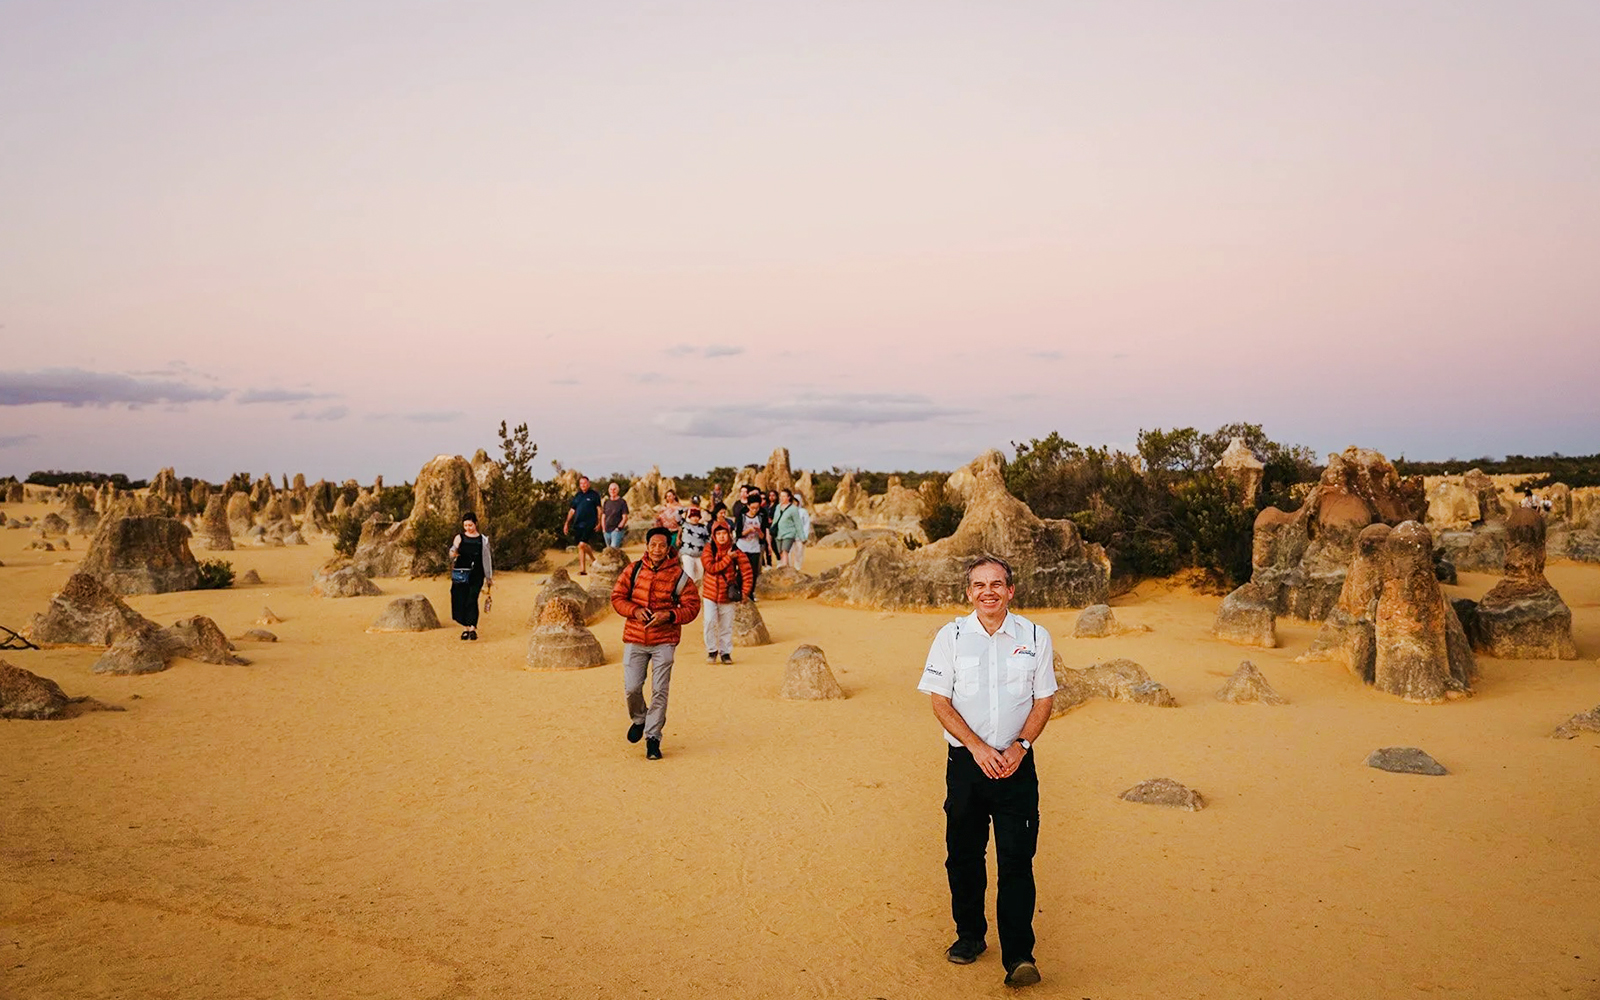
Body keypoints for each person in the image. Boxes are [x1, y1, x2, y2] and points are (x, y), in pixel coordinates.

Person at [917, 555, 1056, 989]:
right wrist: (977, 749)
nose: (988, 592)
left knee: (1017, 860)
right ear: (968, 593)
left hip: (1017, 766)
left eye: (997, 584)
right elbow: (940, 700)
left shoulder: (1035, 636)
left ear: (1010, 590)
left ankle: (1019, 956)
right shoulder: (951, 637)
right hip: (966, 767)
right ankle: (970, 936)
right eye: (979, 585)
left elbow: (1043, 700)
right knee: (963, 856)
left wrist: (1020, 747)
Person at [610, 527, 701, 760]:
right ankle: (640, 718)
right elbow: (617, 597)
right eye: (653, 545)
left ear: (668, 547)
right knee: (631, 688)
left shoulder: (679, 576)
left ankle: (653, 738)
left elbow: (692, 606)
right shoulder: (633, 570)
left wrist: (669, 615)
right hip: (635, 638)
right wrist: (635, 610)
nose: (657, 549)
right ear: (647, 546)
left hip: (664, 641)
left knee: (660, 690)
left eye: (662, 545)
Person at [699, 521, 753, 663]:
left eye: (724, 534)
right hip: (710, 593)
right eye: (718, 534)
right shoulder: (708, 549)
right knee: (709, 622)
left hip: (727, 594)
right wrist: (728, 558)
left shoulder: (737, 551)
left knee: (726, 625)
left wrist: (745, 592)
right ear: (714, 536)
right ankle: (711, 650)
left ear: (729, 535)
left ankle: (725, 653)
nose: (722, 537)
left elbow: (747, 572)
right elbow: (710, 567)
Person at [447, 512, 494, 641]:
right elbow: (452, 551)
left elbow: (486, 558)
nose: (468, 527)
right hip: (461, 573)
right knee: (460, 599)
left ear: (475, 524)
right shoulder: (459, 537)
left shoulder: (483, 540)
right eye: (465, 525)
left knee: (472, 599)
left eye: (470, 525)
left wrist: (489, 577)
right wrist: (453, 552)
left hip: (476, 574)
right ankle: (465, 628)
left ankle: (472, 628)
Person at [564, 475, 603, 575]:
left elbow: (599, 509)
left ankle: (591, 562)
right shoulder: (578, 496)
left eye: (585, 483)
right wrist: (567, 523)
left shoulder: (594, 495)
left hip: (590, 523)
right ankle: (584, 569)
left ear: (588, 484)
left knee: (582, 544)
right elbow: (572, 510)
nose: (583, 485)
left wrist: (599, 522)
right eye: (581, 483)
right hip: (578, 523)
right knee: (580, 546)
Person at [736, 491, 766, 593]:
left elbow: (763, 537)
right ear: (748, 506)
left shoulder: (760, 517)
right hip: (742, 547)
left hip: (755, 548)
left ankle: (750, 593)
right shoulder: (742, 516)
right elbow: (738, 533)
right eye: (752, 508)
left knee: (753, 572)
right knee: (741, 571)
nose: (754, 510)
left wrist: (758, 531)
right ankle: (739, 591)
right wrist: (748, 530)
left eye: (757, 508)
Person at [771, 488, 806, 567]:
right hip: (778, 533)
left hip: (789, 533)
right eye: (781, 496)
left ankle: (784, 567)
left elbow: (798, 523)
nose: (781, 498)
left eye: (784, 496)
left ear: (789, 497)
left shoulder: (793, 509)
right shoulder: (778, 507)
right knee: (780, 552)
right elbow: (775, 519)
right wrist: (772, 529)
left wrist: (802, 537)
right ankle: (785, 564)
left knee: (785, 550)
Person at [678, 506, 711, 583]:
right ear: (690, 517)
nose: (695, 518)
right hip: (687, 554)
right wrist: (687, 508)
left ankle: (696, 593)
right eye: (693, 516)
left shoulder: (703, 527)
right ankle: (688, 593)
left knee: (699, 577)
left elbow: (708, 540)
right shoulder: (684, 525)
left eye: (696, 516)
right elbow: (677, 514)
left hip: (700, 555)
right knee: (690, 576)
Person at [601, 481, 630, 550]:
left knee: (613, 549)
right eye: (611, 489)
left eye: (614, 489)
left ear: (618, 490)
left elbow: (625, 517)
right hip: (606, 531)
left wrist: (618, 528)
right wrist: (603, 529)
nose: (612, 491)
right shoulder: (606, 502)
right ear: (608, 490)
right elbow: (603, 516)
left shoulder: (622, 502)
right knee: (609, 551)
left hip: (616, 531)